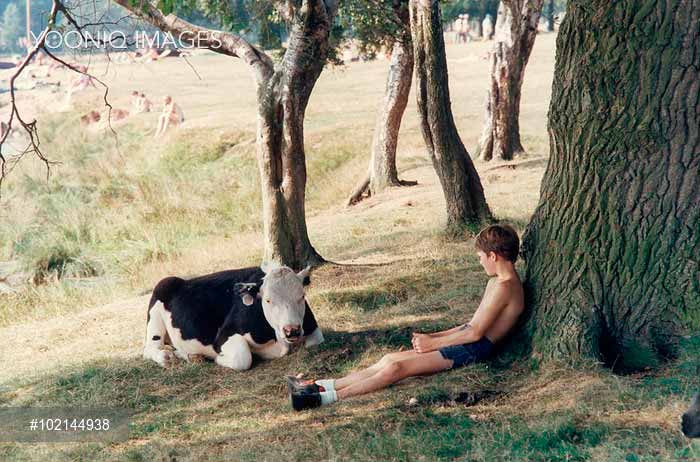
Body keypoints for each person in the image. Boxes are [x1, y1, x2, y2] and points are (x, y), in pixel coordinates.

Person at [288, 224, 525, 411]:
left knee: (397, 368)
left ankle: (323, 399)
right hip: (468, 341)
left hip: (475, 349)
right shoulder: (496, 282)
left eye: (481, 256)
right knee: (389, 358)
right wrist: (433, 336)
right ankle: (319, 386)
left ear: (493, 256)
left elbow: (475, 333)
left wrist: (433, 344)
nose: (480, 261)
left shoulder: (506, 287)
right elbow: (469, 326)